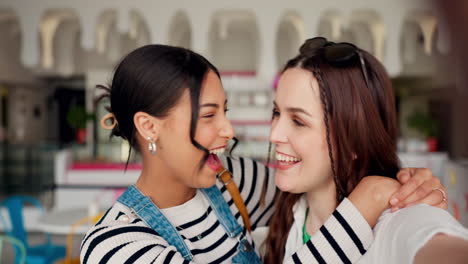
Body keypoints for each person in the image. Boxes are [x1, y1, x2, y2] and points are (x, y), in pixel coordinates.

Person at [80, 44, 446, 263]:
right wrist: (369, 198)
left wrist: (408, 183)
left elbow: (323, 179)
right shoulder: (116, 244)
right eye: (209, 115)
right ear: (149, 127)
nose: (228, 130)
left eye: (225, 111)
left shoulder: (233, 181)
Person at [263, 37, 468, 263]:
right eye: (276, 113)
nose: (274, 135)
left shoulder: (396, 216)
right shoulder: (291, 208)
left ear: (352, 140)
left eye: (298, 121)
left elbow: (438, 243)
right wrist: (371, 195)